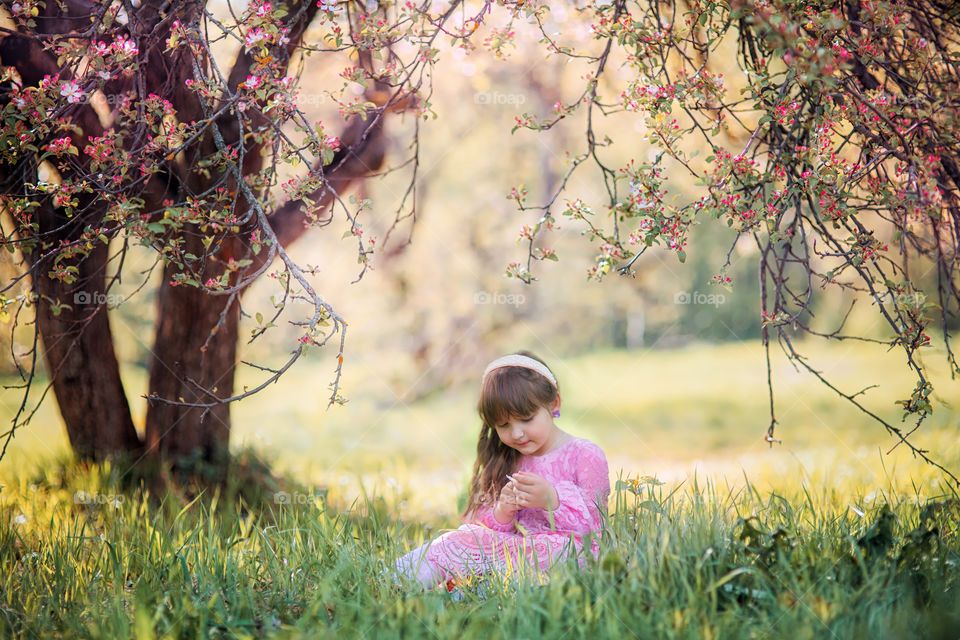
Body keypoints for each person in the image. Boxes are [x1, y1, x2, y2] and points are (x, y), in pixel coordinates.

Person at [394, 351, 610, 589]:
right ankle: (398, 580)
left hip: (568, 553)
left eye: (527, 419)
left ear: (554, 404)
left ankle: (485, 585)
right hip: (516, 550)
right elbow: (483, 527)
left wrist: (553, 500)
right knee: (461, 539)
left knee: (535, 554)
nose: (516, 434)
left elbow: (595, 529)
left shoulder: (584, 454)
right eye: (503, 425)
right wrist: (503, 511)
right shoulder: (506, 457)